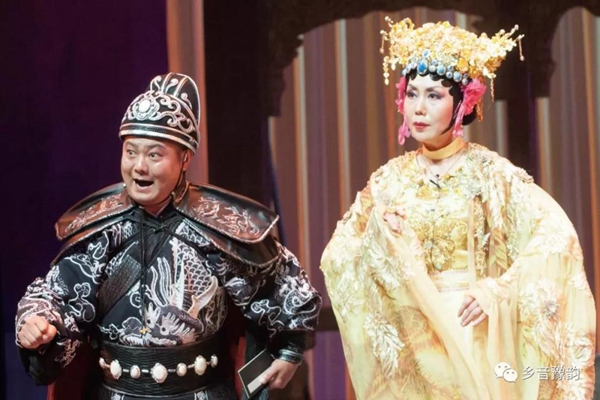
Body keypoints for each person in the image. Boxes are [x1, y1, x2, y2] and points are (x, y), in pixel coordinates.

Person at [320, 18, 595, 399]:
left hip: (471, 331)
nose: (419, 108)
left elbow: (555, 237)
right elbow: (338, 256)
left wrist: (497, 291)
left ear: (462, 102)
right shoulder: (388, 181)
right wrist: (381, 242)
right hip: (414, 341)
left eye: (434, 96)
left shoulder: (491, 173)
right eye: (412, 94)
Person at [16, 72, 322, 400]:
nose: (139, 167)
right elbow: (57, 295)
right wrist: (36, 322)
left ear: (185, 158)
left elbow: (282, 285)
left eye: (154, 155)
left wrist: (291, 352)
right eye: (131, 152)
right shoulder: (100, 228)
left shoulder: (219, 224)